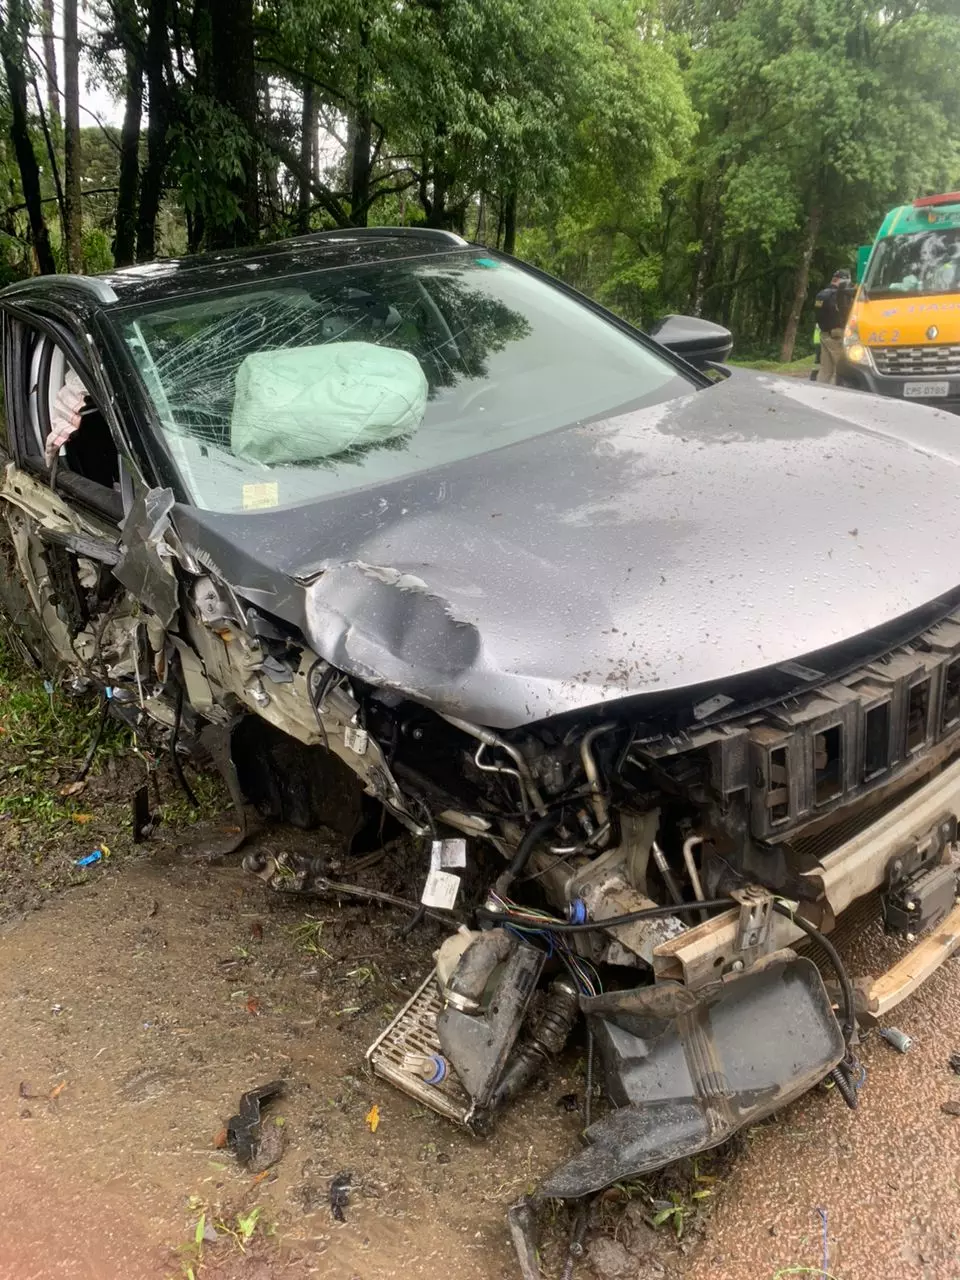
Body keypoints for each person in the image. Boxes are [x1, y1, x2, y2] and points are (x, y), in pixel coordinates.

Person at [813, 268, 854, 384]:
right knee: (841, 370)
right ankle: (837, 395)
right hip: (837, 335)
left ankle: (819, 392)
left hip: (824, 335)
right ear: (843, 281)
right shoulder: (837, 295)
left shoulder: (821, 294)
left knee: (825, 370)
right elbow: (842, 313)